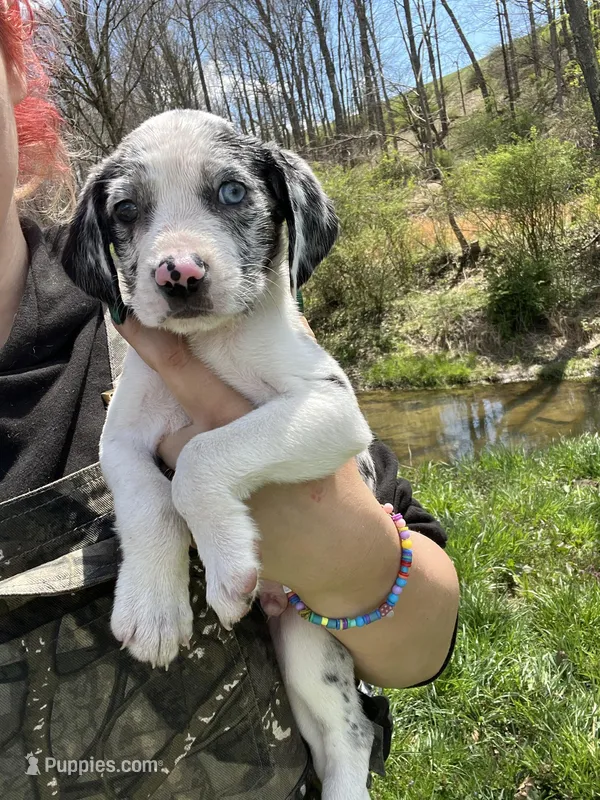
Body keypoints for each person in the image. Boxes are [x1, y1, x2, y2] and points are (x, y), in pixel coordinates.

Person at [0, 2, 459, 798]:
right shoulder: (128, 313)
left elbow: (341, 430)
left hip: (284, 702)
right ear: (107, 251)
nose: (177, 262)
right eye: (133, 216)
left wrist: (340, 553)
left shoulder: (186, 336)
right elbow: (126, 448)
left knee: (323, 694)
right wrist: (159, 541)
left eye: (229, 197)